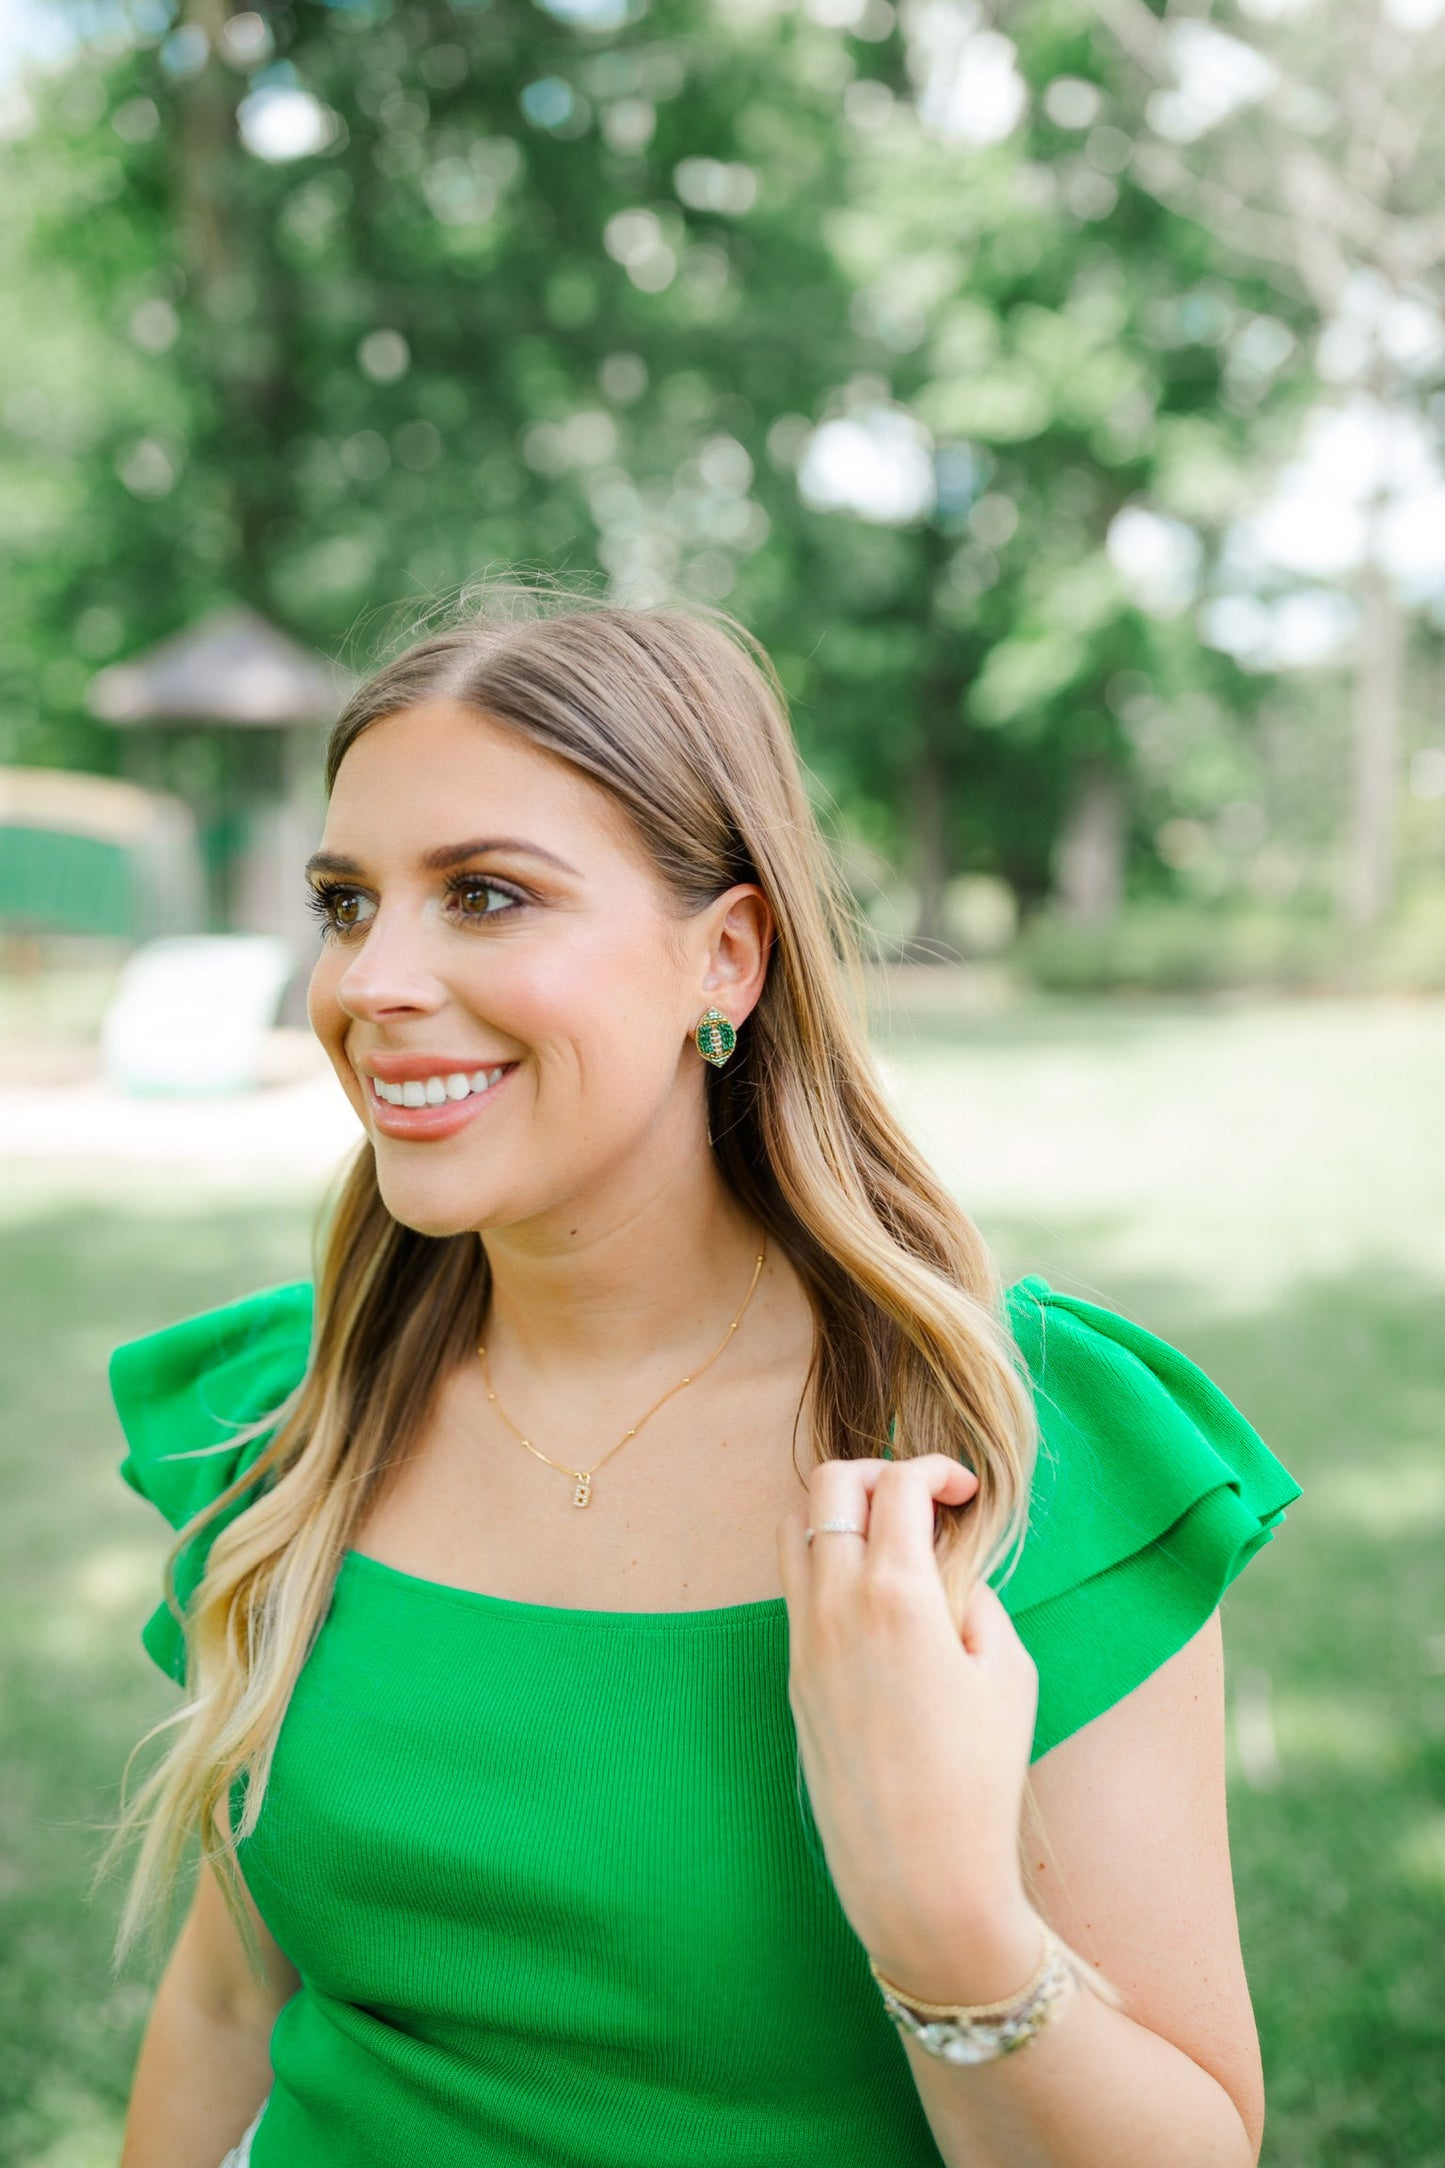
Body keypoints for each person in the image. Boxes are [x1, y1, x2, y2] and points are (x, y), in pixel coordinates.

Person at [103, 587, 1301, 2168]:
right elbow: (223, 2010)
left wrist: (946, 1921)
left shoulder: (1027, 1454)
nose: (369, 982)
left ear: (723, 958)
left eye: (483, 897)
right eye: (346, 903)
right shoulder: (283, 1418)